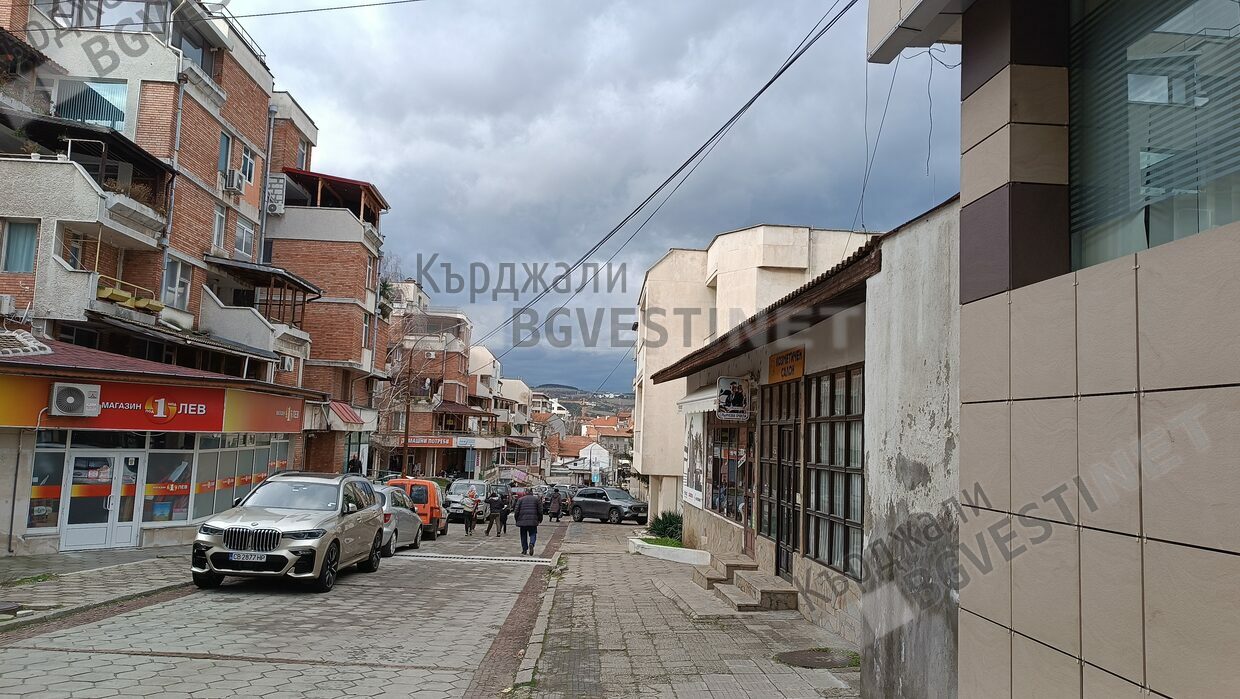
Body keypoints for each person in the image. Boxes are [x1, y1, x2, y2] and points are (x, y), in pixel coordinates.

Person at [513, 489, 542, 555]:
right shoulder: (536, 500)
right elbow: (540, 511)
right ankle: (532, 543)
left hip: (522, 520)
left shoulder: (520, 500)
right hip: (533, 520)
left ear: (525, 493)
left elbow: (516, 511)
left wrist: (517, 519)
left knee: (523, 535)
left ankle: (524, 549)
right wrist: (540, 519)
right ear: (532, 493)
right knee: (533, 533)